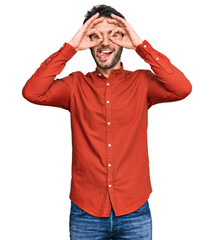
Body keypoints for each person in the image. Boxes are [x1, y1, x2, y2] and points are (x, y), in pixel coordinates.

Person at [22, 4, 192, 240]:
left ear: (124, 38)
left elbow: (183, 89)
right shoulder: (74, 86)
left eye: (114, 34)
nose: (104, 42)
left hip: (135, 210)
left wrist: (141, 46)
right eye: (95, 35)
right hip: (86, 212)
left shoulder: (142, 83)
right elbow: (32, 92)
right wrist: (70, 48)